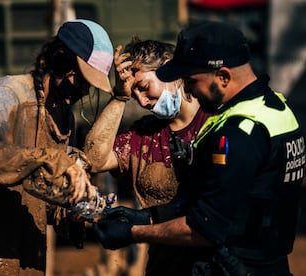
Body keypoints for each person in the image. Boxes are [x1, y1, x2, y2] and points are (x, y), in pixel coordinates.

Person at [93, 21, 306, 275]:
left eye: (192, 80)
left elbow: (206, 226)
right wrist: (148, 216)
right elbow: (231, 201)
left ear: (223, 76)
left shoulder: (240, 132)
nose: (189, 88)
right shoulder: (274, 108)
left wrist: (133, 232)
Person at [0, 19, 113, 275]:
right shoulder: (8, 94)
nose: (85, 90)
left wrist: (75, 211)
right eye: (81, 79)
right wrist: (49, 158)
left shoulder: (64, 117)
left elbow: (45, 197)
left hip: (25, 260)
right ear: (61, 61)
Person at [83, 37, 210, 275]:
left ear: (169, 67)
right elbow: (94, 158)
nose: (142, 101)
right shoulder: (144, 134)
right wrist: (119, 97)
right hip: (163, 267)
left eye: (144, 87)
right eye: (134, 94)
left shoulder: (215, 122)